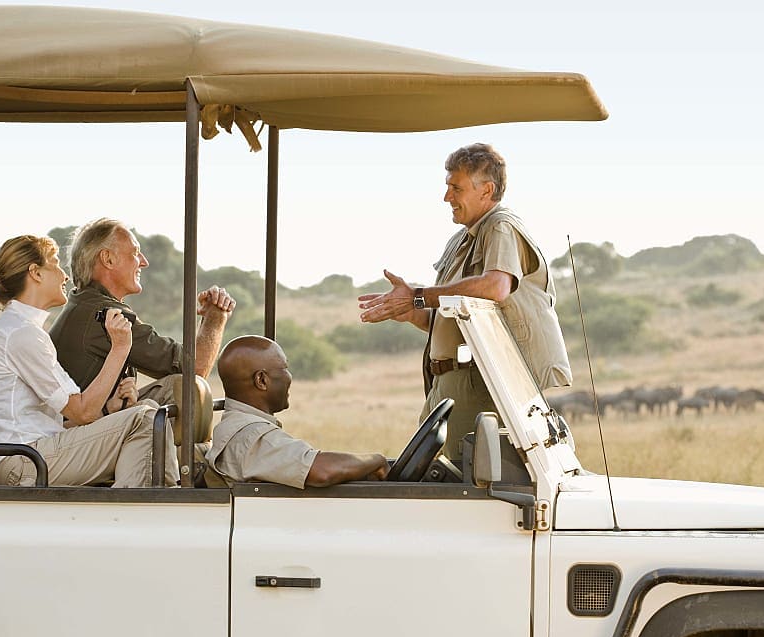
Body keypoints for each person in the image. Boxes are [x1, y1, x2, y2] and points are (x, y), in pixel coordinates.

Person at [358, 143, 571, 463]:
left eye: (455, 188)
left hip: (480, 379)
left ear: (486, 190)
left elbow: (495, 287)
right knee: (427, 475)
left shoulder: (501, 225)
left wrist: (419, 295)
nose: (447, 198)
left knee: (464, 479)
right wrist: (411, 312)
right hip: (446, 382)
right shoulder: (460, 240)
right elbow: (451, 318)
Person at [0, 234, 179, 487]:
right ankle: (144, 512)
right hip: (22, 464)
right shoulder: (21, 334)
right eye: (56, 264)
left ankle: (137, 508)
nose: (65, 275)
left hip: (30, 456)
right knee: (146, 419)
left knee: (145, 409)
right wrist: (120, 348)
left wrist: (109, 409)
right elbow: (83, 411)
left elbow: (59, 418)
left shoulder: (23, 330)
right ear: (36, 273)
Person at [48, 217, 234, 422]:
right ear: (108, 259)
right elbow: (195, 368)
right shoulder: (104, 313)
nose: (144, 262)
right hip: (77, 435)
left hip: (78, 426)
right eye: (135, 253)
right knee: (185, 389)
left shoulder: (84, 303)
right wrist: (216, 318)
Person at [206, 336, 389, 488]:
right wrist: (377, 461)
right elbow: (321, 472)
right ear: (261, 380)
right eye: (284, 368)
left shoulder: (243, 427)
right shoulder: (249, 435)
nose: (289, 377)